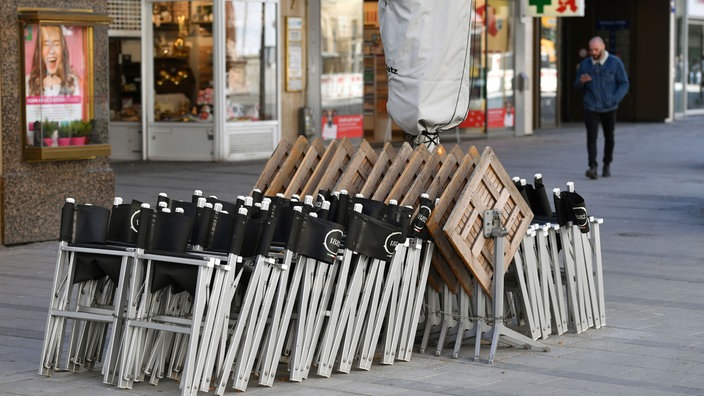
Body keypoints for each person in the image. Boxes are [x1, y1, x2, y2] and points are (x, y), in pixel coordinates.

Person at [574, 36, 629, 179]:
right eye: (591, 50)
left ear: (603, 47)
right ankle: (592, 167)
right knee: (591, 137)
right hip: (591, 106)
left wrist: (614, 99)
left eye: (596, 49)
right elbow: (576, 86)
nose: (593, 52)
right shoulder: (585, 64)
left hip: (609, 107)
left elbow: (624, 83)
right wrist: (581, 82)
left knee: (609, 137)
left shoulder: (615, 63)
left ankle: (606, 164)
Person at [26, 25, 80, 97]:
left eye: (56, 44)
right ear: (40, 51)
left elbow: (75, 107)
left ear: (63, 50)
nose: (51, 51)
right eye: (46, 44)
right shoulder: (28, 82)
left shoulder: (73, 81)